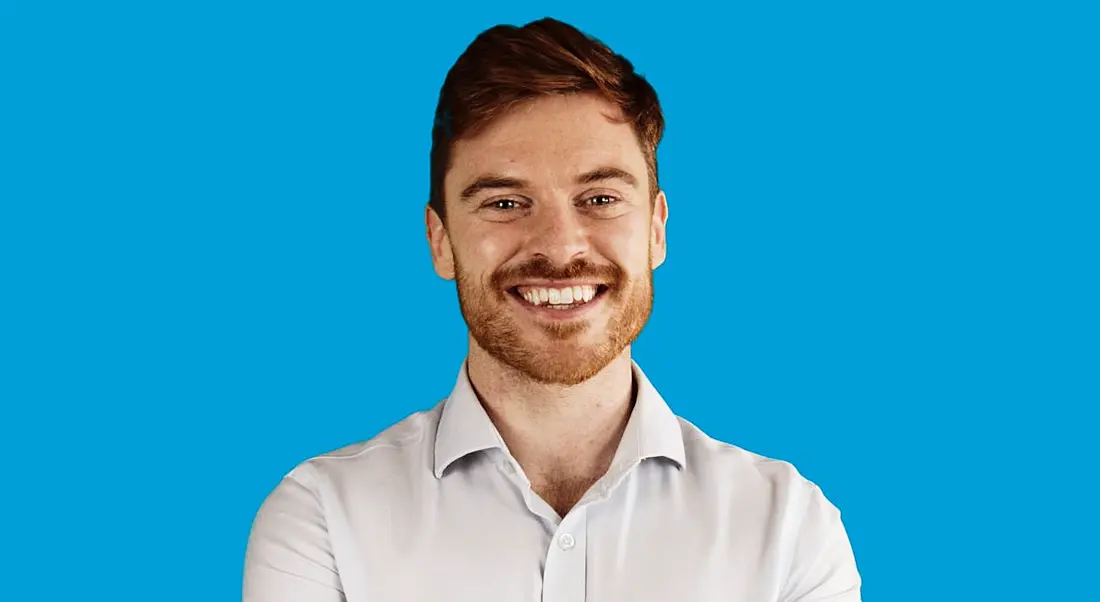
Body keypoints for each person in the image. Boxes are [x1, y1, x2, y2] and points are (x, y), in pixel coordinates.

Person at [243, 17, 862, 602]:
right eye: (506, 204)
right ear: (440, 240)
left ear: (656, 231)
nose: (560, 248)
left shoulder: (788, 529)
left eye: (599, 197)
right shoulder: (321, 520)